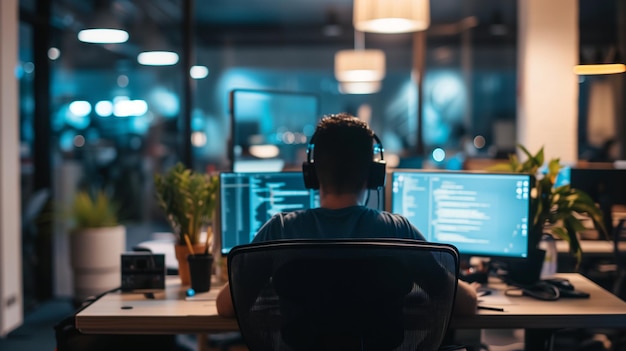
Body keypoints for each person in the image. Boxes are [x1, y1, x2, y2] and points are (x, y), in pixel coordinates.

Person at [216, 113, 478, 317]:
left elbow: (226, 307)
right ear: (374, 175)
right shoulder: (397, 232)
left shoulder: (280, 231)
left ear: (312, 174)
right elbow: (464, 304)